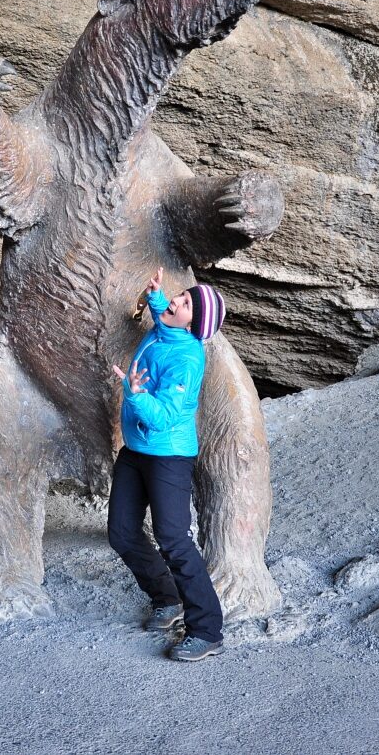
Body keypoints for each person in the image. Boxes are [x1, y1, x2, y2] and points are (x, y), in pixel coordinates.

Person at [109, 267, 226, 662]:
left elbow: (163, 417)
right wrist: (158, 298)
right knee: (122, 532)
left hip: (169, 455)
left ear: (196, 321)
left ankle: (207, 629)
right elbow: (164, 315)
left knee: (174, 539)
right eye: (182, 295)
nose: (178, 300)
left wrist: (135, 393)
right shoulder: (166, 329)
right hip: (137, 449)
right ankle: (167, 597)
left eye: (186, 302)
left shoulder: (187, 358)